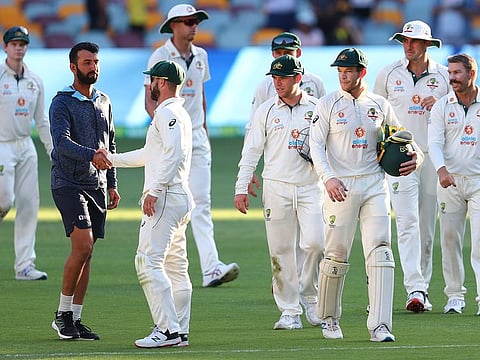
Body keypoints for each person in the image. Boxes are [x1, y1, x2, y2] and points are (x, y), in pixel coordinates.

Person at [309, 48, 421, 342]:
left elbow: (402, 136)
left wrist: (417, 157)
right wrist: (329, 177)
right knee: (336, 255)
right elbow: (316, 146)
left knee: (381, 252)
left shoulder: (379, 104)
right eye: (340, 71)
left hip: (374, 184)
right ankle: (329, 319)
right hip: (340, 187)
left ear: (362, 72)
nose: (343, 75)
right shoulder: (327, 104)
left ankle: (380, 325)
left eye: (348, 71)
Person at [145, 3, 239, 288]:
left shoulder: (201, 56)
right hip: (172, 138)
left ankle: (211, 268)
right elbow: (150, 101)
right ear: (173, 26)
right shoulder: (159, 57)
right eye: (187, 22)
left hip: (197, 137)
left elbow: (200, 97)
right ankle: (154, 258)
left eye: (195, 21)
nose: (193, 26)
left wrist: (205, 133)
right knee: (166, 200)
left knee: (201, 204)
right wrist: (166, 129)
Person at [107, 60, 193, 348]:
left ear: (162, 82)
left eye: (152, 80)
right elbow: (152, 153)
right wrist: (112, 159)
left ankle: (168, 331)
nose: (149, 86)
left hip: (166, 195)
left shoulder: (168, 113)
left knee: (147, 261)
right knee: (176, 267)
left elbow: (174, 153)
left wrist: (155, 189)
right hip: (179, 196)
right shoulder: (175, 112)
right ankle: (179, 330)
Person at [235, 55, 325, 330]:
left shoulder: (318, 107)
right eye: (274, 78)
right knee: (280, 250)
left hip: (311, 186)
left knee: (316, 244)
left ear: (298, 78)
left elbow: (331, 146)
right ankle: (289, 310)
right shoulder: (266, 110)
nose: (277, 83)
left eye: (283, 78)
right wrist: (241, 187)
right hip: (276, 187)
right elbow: (251, 151)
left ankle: (310, 297)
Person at [373, 20, 450, 312]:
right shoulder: (388, 74)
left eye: (415, 41)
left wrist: (444, 101)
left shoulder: (444, 77)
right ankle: (414, 289)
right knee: (406, 223)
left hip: (433, 158)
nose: (409, 45)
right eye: (405, 40)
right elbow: (374, 113)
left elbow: (462, 108)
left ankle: (422, 289)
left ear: (428, 44)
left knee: (427, 226)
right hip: (400, 158)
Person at [49, 42, 120, 340]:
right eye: (87, 62)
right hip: (68, 182)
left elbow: (111, 144)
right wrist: (92, 154)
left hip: (97, 185)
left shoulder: (104, 101)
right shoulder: (61, 102)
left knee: (87, 253)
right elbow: (61, 143)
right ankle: (62, 315)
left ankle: (76, 319)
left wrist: (113, 182)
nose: (93, 67)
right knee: (82, 245)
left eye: (96, 62)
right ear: (73, 67)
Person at [428, 53, 480, 315]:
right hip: (450, 182)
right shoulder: (442, 105)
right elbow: (435, 143)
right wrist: (441, 169)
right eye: (450, 74)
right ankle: (455, 297)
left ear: (472, 74)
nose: (452, 79)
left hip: (479, 181)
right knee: (450, 240)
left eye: (457, 73)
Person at [0, 26, 52, 281]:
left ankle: (25, 266)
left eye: (22, 44)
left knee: (29, 204)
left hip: (25, 146)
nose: (18, 47)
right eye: (14, 43)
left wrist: (53, 150)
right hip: (1, 145)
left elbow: (41, 119)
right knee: (3, 201)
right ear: (5, 47)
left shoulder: (35, 80)